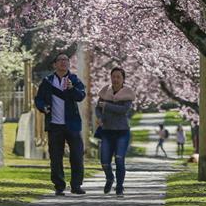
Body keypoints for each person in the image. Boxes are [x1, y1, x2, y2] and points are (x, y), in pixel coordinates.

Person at [34, 53, 87, 196]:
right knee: (56, 156)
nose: (64, 62)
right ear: (54, 64)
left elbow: (81, 96)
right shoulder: (47, 81)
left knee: (76, 155)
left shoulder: (74, 79)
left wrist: (71, 88)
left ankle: (76, 185)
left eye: (66, 59)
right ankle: (59, 185)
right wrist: (43, 107)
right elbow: (38, 99)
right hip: (55, 125)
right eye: (60, 60)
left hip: (72, 124)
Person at [96, 67, 135, 196]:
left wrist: (107, 106)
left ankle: (119, 186)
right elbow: (98, 108)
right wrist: (100, 117)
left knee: (119, 159)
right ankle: (109, 178)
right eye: (114, 76)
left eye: (119, 77)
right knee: (105, 161)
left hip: (122, 131)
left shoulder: (127, 93)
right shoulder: (105, 91)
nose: (116, 79)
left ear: (123, 79)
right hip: (107, 130)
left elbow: (123, 110)